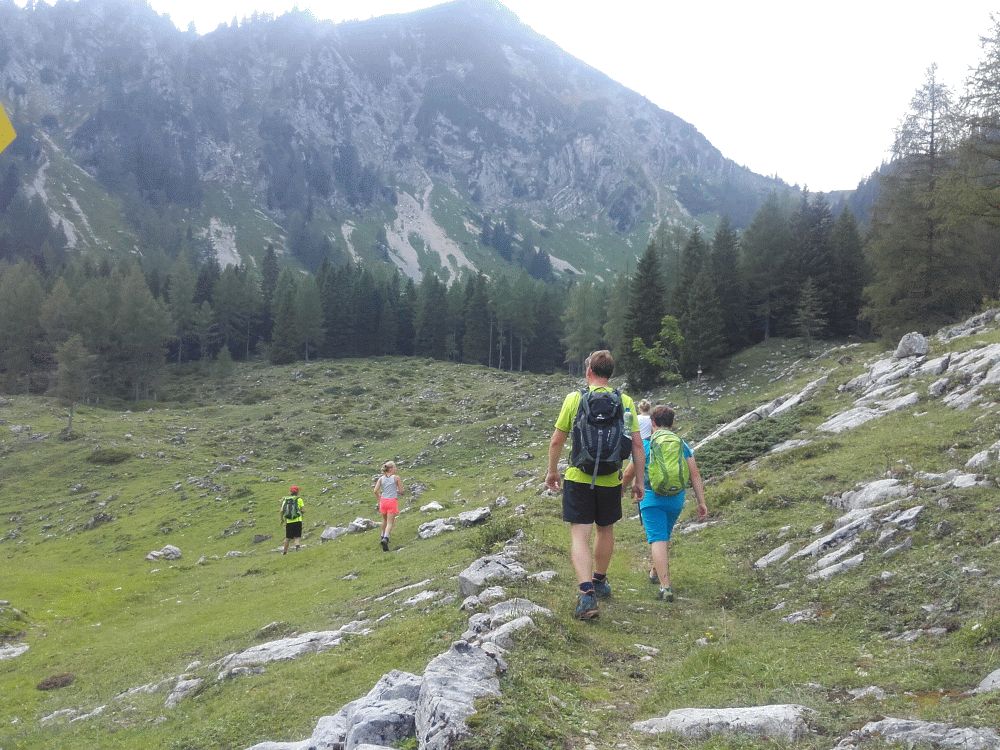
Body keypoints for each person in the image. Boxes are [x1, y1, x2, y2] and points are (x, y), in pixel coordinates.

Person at [545, 350, 644, 620]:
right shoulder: (625, 401)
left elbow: (557, 440)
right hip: (611, 479)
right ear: (610, 373)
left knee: (580, 535)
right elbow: (637, 445)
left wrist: (552, 471)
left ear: (588, 371)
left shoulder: (574, 398)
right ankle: (599, 580)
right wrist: (638, 481)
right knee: (605, 529)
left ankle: (586, 594)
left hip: (579, 477)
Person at [623, 405, 707, 602]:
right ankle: (655, 571)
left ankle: (665, 587)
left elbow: (628, 473)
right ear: (672, 423)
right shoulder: (681, 444)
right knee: (664, 535)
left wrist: (620, 490)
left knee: (657, 538)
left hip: (651, 497)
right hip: (676, 498)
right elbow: (695, 475)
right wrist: (701, 502)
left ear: (652, 422)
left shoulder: (646, 445)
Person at [373, 461, 404, 552]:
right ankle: (385, 538)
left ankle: (382, 535)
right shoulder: (396, 478)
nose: (396, 469)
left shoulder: (381, 478)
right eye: (395, 467)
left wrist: (379, 499)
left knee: (384, 520)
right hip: (392, 501)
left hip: (383, 501)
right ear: (390, 469)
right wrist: (397, 491)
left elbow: (375, 491)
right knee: (390, 522)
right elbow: (401, 491)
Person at [280, 485, 304, 555]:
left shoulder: (286, 500)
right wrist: (301, 512)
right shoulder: (299, 499)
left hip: (289, 521)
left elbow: (281, 511)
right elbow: (303, 510)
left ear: (290, 492)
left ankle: (284, 552)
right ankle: (297, 548)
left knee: (288, 538)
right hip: (298, 521)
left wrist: (282, 519)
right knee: (297, 536)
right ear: (297, 492)